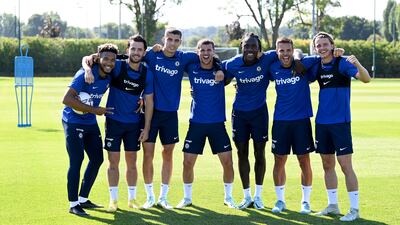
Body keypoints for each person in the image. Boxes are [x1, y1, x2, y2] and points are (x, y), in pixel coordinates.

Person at [140, 28, 223, 209]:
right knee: (148, 154)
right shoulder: (152, 55)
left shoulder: (185, 57)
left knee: (167, 153)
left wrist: (218, 68)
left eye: (176, 40)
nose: (172, 43)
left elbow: (209, 57)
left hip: (170, 114)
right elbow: (131, 57)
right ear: (164, 39)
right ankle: (149, 197)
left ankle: (163, 197)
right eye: (169, 39)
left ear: (180, 42)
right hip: (150, 113)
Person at [309, 32, 370, 222]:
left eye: (325, 44)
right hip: (322, 123)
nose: (322, 48)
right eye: (318, 45)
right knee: (327, 165)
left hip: (340, 123)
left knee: (345, 166)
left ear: (332, 45)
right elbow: (296, 61)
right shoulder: (316, 64)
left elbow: (366, 78)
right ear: (315, 48)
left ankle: (354, 209)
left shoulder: (342, 62)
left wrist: (357, 63)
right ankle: (333, 205)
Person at [175, 39, 236, 209]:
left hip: (217, 124)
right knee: (187, 162)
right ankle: (187, 198)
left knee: (228, 162)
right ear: (198, 52)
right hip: (196, 124)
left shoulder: (222, 69)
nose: (206, 53)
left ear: (214, 51)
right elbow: (174, 56)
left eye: (209, 50)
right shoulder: (192, 67)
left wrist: (220, 70)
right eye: (202, 50)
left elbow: (239, 67)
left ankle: (228, 197)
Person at [223, 33, 278, 210]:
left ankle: (258, 196)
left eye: (253, 46)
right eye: (247, 46)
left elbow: (288, 53)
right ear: (241, 47)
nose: (250, 50)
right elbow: (218, 70)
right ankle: (246, 196)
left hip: (259, 114)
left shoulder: (267, 59)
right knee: (242, 153)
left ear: (259, 49)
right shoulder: (233, 63)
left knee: (260, 153)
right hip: (239, 114)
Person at [61, 43, 117, 216]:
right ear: (98, 59)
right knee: (76, 160)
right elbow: (66, 99)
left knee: (97, 159)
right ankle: (73, 204)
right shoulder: (84, 75)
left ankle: (83, 198)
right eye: (105, 58)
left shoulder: (109, 75)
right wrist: (96, 110)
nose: (109, 62)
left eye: (112, 59)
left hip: (90, 123)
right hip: (73, 121)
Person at [103, 35, 154, 212]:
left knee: (132, 162)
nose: (136, 52)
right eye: (133, 48)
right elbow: (94, 58)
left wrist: (146, 128)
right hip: (114, 122)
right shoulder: (117, 65)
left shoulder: (147, 73)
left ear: (144, 52)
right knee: (113, 162)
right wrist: (87, 67)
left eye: (140, 49)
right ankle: (113, 200)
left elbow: (149, 102)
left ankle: (132, 199)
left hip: (133, 124)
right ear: (127, 50)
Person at [268, 38, 314, 214]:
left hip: (301, 120)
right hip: (280, 121)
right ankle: (280, 200)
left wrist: (298, 58)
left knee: (304, 160)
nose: (285, 54)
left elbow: (321, 57)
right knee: (279, 160)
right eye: (281, 51)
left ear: (293, 50)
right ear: (277, 52)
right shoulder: (273, 68)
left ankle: (305, 201)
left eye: (288, 50)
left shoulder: (304, 64)